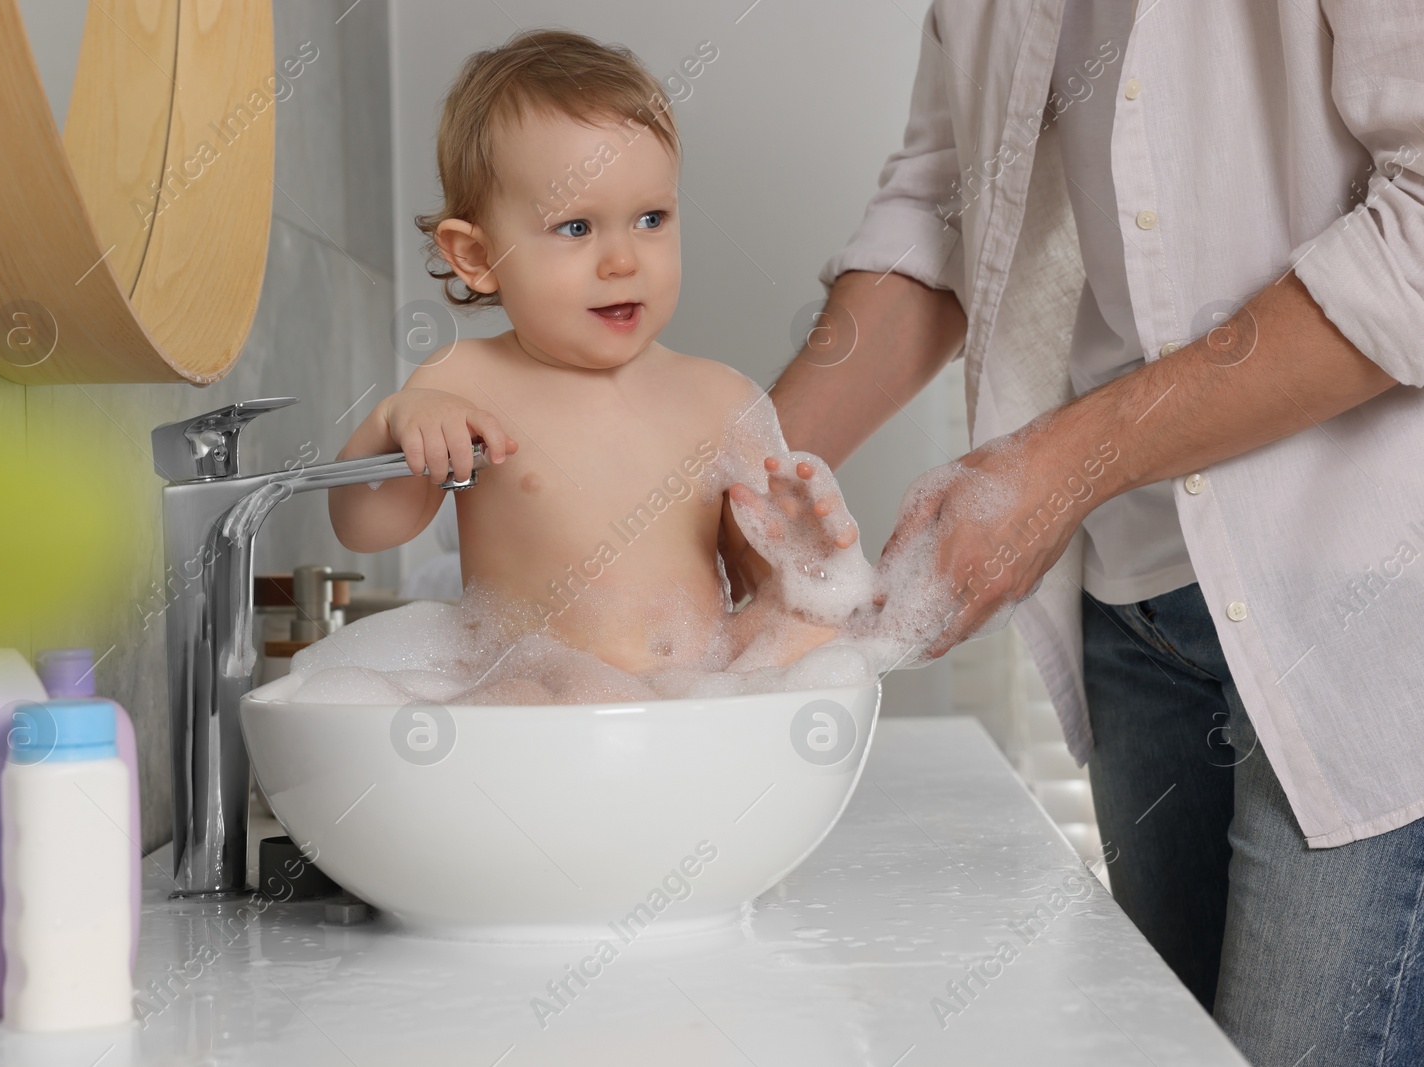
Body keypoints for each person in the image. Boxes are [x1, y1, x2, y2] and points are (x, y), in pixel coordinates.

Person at [752, 2, 1424, 1062]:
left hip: (1364, 605)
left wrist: (1061, 466)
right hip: (1135, 609)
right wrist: (731, 493)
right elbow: (948, 201)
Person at [328, 29, 857, 701]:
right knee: (525, 694)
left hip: (695, 699)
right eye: (576, 227)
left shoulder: (720, 399)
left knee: (814, 635)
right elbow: (366, 528)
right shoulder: (463, 383)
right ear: (477, 257)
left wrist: (804, 560)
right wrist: (395, 420)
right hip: (540, 694)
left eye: (650, 218)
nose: (623, 260)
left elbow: (757, 579)